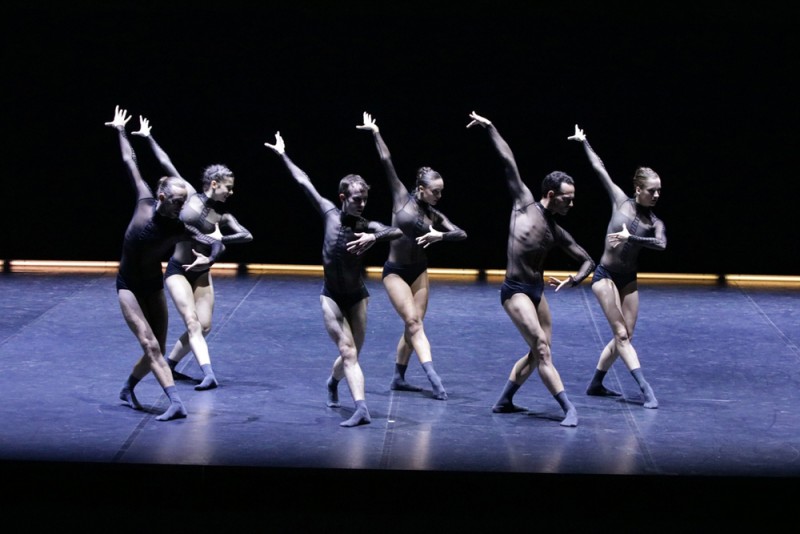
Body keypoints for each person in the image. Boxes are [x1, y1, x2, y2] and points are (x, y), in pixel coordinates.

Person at [264, 131, 402, 427]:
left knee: (353, 353)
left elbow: (397, 232)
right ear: (343, 198)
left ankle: (332, 381)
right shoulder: (329, 213)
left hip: (357, 297)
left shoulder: (365, 224)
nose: (362, 204)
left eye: (365, 199)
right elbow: (304, 181)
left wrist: (374, 236)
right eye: (356, 199)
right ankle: (362, 408)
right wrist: (282, 154)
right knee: (348, 351)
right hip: (331, 297)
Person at [467, 111, 595, 427]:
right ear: (551, 195)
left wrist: (575, 279)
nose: (571, 204)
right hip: (514, 292)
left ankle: (505, 401)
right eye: (567, 199)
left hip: (537, 292)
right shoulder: (523, 204)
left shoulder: (556, 231)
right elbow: (508, 160)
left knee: (540, 351)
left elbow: (588, 260)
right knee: (541, 349)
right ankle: (568, 409)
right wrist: (491, 127)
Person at [106, 105, 222, 421]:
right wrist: (120, 131)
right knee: (150, 345)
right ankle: (175, 402)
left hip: (153, 285)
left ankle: (128, 388)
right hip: (128, 285)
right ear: (161, 198)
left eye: (183, 202)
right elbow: (130, 161)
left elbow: (214, 240)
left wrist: (210, 254)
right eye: (176, 202)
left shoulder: (179, 227)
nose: (180, 207)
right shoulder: (144, 200)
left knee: (155, 346)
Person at [132, 116, 253, 391]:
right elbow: (166, 162)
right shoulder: (190, 196)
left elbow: (247, 235)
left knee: (205, 325)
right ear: (213, 183)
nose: (231, 192)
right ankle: (208, 372)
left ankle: (171, 365)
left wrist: (220, 239)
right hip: (178, 270)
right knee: (191, 322)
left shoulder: (221, 214)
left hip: (202, 273)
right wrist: (148, 137)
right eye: (228, 187)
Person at [357, 112, 467, 400]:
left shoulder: (434, 214)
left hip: (419, 271)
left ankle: (398, 378)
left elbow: (462, 234)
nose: (439, 197)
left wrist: (439, 235)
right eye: (435, 192)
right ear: (421, 189)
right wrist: (375, 132)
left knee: (414, 323)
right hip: (395, 271)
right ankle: (433, 377)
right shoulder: (401, 197)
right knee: (414, 323)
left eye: (441, 192)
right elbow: (386, 162)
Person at [568, 124, 665, 408]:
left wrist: (631, 237)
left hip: (629, 279)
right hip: (604, 276)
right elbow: (600, 169)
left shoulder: (654, 223)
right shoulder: (620, 200)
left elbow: (661, 245)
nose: (656, 196)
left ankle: (596, 383)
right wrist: (584, 142)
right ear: (638, 189)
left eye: (659, 191)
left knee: (625, 335)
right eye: (651, 191)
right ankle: (646, 389)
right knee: (621, 334)